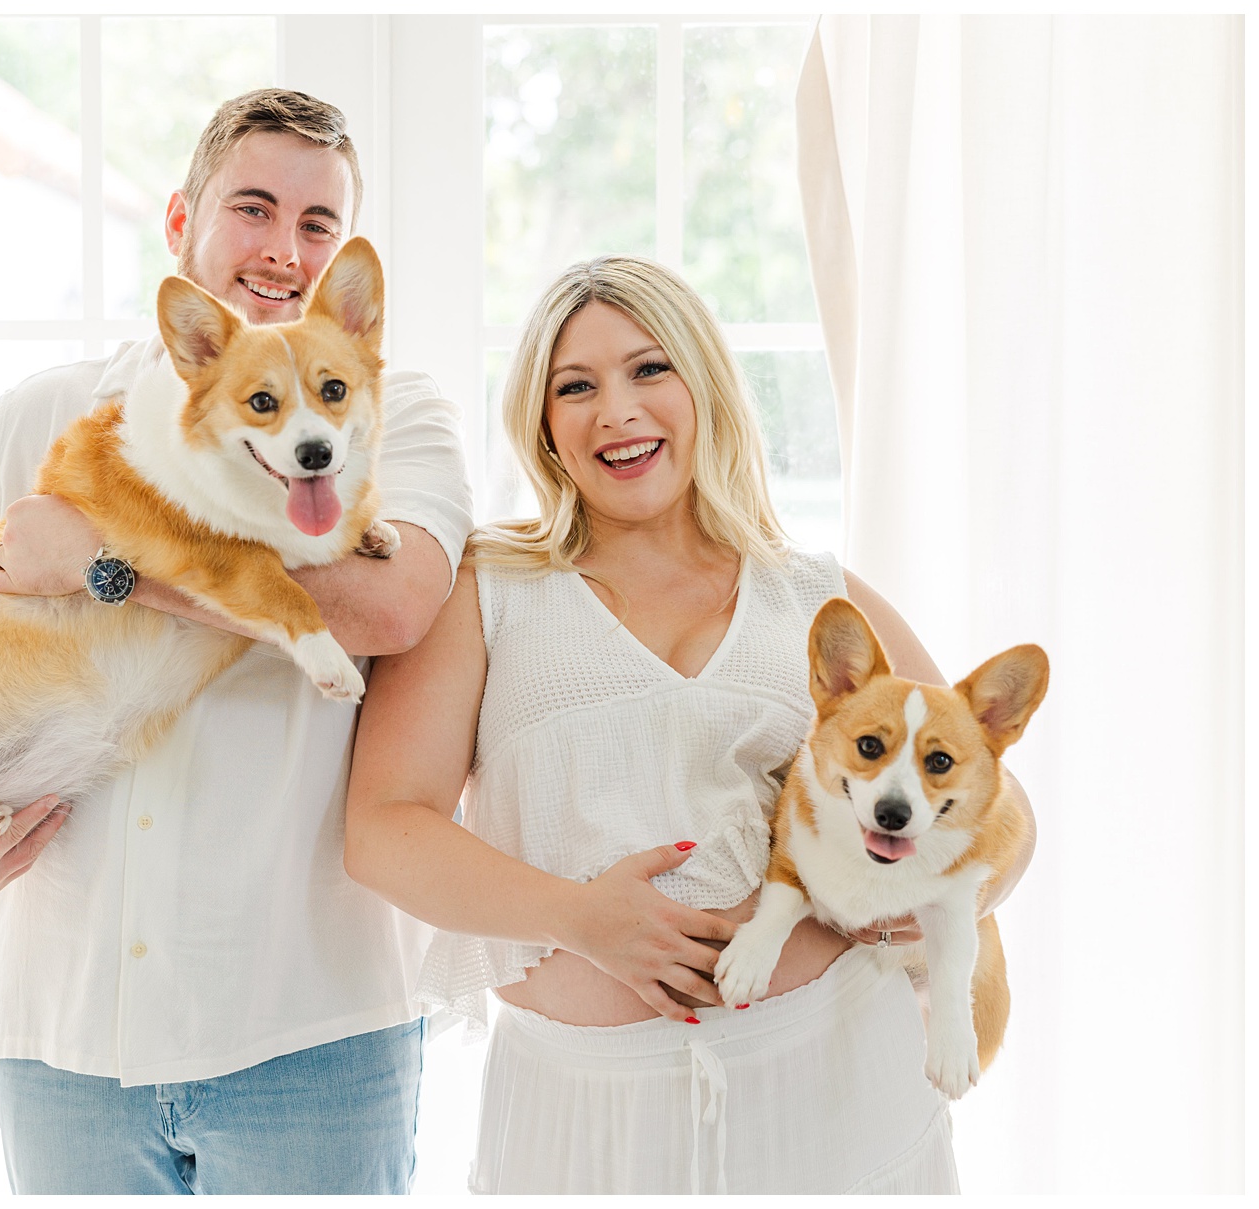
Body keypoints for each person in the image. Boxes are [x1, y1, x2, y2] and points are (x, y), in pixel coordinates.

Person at [0, 89, 473, 1194]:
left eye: (318, 225)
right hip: (64, 1045)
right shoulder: (42, 417)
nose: (285, 250)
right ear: (181, 224)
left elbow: (389, 608)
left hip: (309, 1033)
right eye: (255, 208)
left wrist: (107, 566)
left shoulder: (395, 414)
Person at [343, 255, 1037, 1194]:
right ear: (544, 425)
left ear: (703, 383)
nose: (615, 410)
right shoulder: (487, 588)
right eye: (574, 386)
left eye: (649, 369)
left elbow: (1001, 805)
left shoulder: (815, 594)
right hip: (581, 1119)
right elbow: (384, 828)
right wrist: (580, 919)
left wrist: (889, 911)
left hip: (836, 1092)